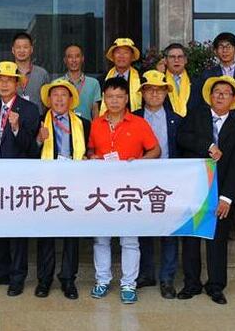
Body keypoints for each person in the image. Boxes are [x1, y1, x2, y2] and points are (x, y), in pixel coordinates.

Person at [87, 76, 160, 304]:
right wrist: (92, 156)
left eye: (119, 96)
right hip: (101, 191)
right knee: (101, 239)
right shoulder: (96, 124)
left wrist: (140, 162)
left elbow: (155, 150)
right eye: (110, 97)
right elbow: (89, 150)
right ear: (104, 98)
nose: (115, 101)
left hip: (130, 190)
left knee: (129, 240)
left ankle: (129, 283)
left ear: (127, 98)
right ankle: (102, 280)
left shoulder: (139, 123)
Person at [176, 75, 235, 305]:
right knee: (191, 237)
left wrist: (227, 198)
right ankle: (191, 283)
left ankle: (216, 286)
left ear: (233, 99)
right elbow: (182, 137)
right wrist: (208, 146)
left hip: (220, 190)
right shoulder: (196, 115)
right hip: (194, 188)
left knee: (218, 239)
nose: (220, 96)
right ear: (210, 95)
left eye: (226, 93)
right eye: (217, 92)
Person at [0, 61, 40, 297]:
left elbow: (32, 148)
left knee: (17, 227)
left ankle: (18, 276)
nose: (5, 84)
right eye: (0, 80)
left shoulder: (29, 109)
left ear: (18, 83)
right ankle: (2, 270)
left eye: (9, 80)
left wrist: (16, 128)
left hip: (18, 176)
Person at [34, 78, 91, 300]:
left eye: (63, 95)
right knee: (46, 234)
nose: (59, 99)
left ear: (70, 99)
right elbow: (28, 152)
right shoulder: (39, 122)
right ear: (49, 99)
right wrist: (39, 140)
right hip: (46, 184)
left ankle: (68, 279)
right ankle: (44, 279)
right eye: (55, 95)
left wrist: (89, 157)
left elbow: (91, 149)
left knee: (71, 234)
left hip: (75, 184)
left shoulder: (83, 123)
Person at [200, 32, 235, 241]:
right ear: (216, 51)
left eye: (229, 46)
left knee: (234, 173)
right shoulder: (208, 75)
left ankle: (233, 220)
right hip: (212, 130)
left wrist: (229, 120)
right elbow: (203, 101)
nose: (225, 50)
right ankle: (208, 216)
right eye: (221, 46)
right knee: (211, 174)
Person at [133, 70, 183, 299]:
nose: (154, 94)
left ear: (166, 93)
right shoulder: (132, 118)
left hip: (169, 180)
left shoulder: (177, 120)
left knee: (169, 230)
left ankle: (167, 278)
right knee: (143, 228)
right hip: (139, 180)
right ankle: (146, 274)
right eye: (150, 90)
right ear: (142, 93)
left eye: (159, 90)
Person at [5, 32, 51, 113]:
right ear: (13, 50)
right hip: (10, 118)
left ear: (31, 49)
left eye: (25, 47)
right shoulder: (6, 73)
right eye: (18, 47)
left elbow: (49, 101)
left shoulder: (42, 74)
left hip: (38, 118)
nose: (22, 50)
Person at [60, 44, 102, 120]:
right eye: (70, 57)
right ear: (65, 60)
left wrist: (96, 127)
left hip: (87, 126)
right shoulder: (58, 84)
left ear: (82, 59)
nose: (74, 60)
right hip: (63, 126)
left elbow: (95, 111)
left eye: (77, 56)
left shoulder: (93, 83)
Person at [155, 42, 197, 117]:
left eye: (180, 57)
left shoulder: (196, 82)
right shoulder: (160, 81)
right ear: (165, 60)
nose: (176, 60)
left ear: (185, 60)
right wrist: (158, 75)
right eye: (172, 57)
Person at [101, 38, 143, 113]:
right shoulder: (102, 80)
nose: (121, 56)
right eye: (118, 52)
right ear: (113, 56)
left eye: (126, 53)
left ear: (132, 56)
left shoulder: (141, 79)